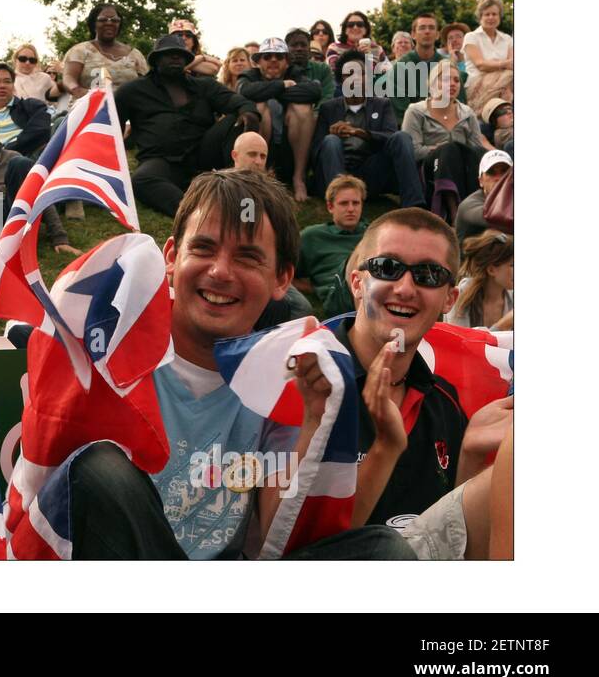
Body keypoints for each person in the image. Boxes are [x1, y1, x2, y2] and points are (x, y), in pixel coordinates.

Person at [51, 169, 414, 559]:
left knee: (383, 550)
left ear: (282, 279)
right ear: (171, 257)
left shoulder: (285, 372)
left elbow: (281, 536)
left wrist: (312, 419)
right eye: (204, 249)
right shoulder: (112, 342)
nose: (220, 271)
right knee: (99, 469)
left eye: (247, 257)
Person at [319, 208, 511, 556]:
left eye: (429, 274)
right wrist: (385, 449)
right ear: (357, 283)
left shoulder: (444, 401)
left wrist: (469, 453)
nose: (406, 288)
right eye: (387, 268)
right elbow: (293, 546)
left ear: (449, 299)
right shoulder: (305, 380)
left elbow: (451, 535)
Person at [116, 34, 259, 218]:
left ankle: (236, 184)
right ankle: (198, 214)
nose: (176, 57)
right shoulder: (132, 91)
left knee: (238, 117)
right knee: (141, 180)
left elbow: (235, 100)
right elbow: (112, 129)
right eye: (169, 54)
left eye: (180, 54)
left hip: (203, 156)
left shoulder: (204, 85)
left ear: (187, 59)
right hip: (161, 161)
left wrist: (248, 111)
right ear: (156, 59)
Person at [314, 50, 424, 208]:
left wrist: (360, 133)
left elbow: (391, 137)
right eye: (349, 74)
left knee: (402, 137)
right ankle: (340, 200)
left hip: (370, 171)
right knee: (330, 141)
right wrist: (331, 136)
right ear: (341, 80)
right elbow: (315, 151)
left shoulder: (382, 104)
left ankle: (414, 205)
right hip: (337, 171)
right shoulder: (328, 108)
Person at [0, 109, 78, 269]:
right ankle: (2, 264)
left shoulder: (9, 157)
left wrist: (59, 237)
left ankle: (4, 255)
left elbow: (37, 193)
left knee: (22, 164)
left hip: (9, 211)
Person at [402, 60, 492, 220]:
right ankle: (455, 215)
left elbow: (476, 150)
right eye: (445, 79)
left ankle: (479, 209)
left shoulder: (467, 113)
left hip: (463, 169)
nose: (452, 84)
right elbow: (412, 152)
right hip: (430, 170)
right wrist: (436, 149)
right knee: (448, 150)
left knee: (476, 152)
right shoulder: (416, 111)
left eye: (456, 80)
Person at [236, 37, 322, 201]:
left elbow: (314, 92)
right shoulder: (249, 75)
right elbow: (244, 91)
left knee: (302, 109)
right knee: (259, 107)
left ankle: (299, 178)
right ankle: (256, 178)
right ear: (258, 61)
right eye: (267, 56)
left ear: (287, 61)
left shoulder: (296, 74)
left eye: (279, 56)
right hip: (261, 147)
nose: (273, 60)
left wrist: (266, 90)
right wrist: (281, 86)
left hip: (290, 150)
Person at [293, 174, 369, 308]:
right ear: (330, 207)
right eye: (344, 203)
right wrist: (313, 289)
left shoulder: (372, 233)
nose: (351, 209)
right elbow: (281, 272)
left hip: (372, 286)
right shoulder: (312, 236)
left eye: (356, 203)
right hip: (339, 294)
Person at [382, 11, 468, 119]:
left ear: (437, 35)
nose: (427, 31)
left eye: (431, 28)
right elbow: (400, 111)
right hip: (412, 126)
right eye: (422, 28)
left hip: (445, 126)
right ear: (413, 34)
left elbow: (460, 105)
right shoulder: (399, 68)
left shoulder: (448, 67)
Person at [61, 3, 148, 100]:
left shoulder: (135, 54)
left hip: (127, 110)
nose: (109, 23)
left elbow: (146, 84)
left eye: (115, 20)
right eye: (103, 20)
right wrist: (78, 91)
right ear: (94, 23)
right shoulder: (79, 50)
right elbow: (68, 78)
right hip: (89, 108)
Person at [0, 63, 53, 157]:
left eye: (7, 81)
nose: (2, 85)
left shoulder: (31, 107)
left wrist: (3, 153)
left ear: (13, 85)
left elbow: (41, 132)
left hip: (19, 160)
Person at [445, 230, 513, 330]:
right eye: (512, 265)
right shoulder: (463, 294)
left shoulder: (512, 298)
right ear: (491, 270)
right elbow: (460, 342)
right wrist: (501, 326)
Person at [454, 149, 513, 244]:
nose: (499, 178)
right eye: (491, 173)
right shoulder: (469, 205)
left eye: (504, 171)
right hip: (475, 258)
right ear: (481, 181)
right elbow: (497, 219)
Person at [464, 0, 513, 101]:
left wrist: (508, 91)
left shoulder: (507, 39)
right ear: (480, 17)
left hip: (505, 86)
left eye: (494, 14)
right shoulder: (471, 37)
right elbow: (481, 65)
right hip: (478, 88)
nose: (491, 17)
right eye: (487, 14)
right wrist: (504, 64)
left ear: (499, 16)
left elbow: (511, 67)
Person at [325, 11, 387, 75]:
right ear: (345, 30)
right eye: (350, 25)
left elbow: (387, 73)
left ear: (365, 30)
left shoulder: (377, 49)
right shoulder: (334, 48)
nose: (355, 27)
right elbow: (334, 70)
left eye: (360, 24)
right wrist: (357, 54)